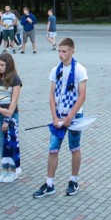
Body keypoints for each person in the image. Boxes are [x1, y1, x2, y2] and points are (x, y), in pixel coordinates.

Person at [33, 38, 88, 198]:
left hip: (74, 116)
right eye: (59, 51)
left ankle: (74, 180)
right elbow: (51, 95)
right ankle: (49, 183)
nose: (61, 54)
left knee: (74, 148)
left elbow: (82, 96)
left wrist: (70, 117)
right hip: (59, 116)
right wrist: (55, 117)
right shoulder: (55, 70)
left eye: (64, 51)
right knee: (53, 149)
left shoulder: (79, 70)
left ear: (72, 51)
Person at [0, 53, 22, 183]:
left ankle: (13, 171)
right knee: (1, 142)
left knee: (11, 142)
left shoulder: (15, 79)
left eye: (2, 65)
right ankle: (4, 169)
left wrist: (7, 117)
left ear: (8, 65)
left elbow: (14, 101)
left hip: (10, 114)